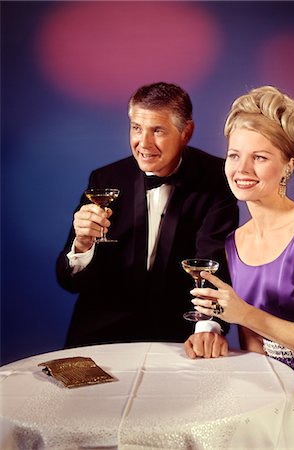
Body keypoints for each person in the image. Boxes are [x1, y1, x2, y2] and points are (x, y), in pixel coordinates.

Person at [184, 86, 294, 449]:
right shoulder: (234, 241)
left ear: (288, 165)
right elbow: (255, 348)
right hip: (279, 403)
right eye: (234, 155)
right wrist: (276, 399)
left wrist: (243, 313)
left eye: (259, 157)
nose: (241, 170)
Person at [56, 82, 239, 349]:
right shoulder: (105, 179)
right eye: (137, 128)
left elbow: (212, 261)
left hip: (178, 336)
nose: (143, 143)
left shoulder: (217, 178)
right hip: (100, 334)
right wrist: (82, 246)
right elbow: (69, 282)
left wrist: (207, 326)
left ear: (186, 132)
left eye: (158, 131)